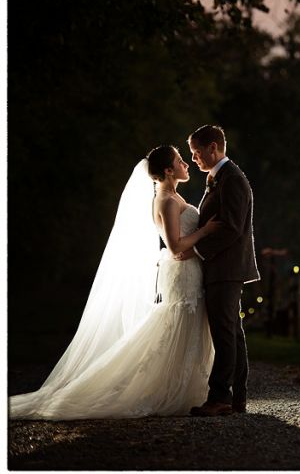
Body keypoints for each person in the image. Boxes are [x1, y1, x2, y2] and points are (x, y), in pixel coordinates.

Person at [10, 146, 219, 420]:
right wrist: (205, 233)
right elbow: (175, 247)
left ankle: (186, 387)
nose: (186, 164)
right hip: (181, 272)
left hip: (187, 271)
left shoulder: (173, 196)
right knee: (177, 323)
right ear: (168, 170)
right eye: (181, 161)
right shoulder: (167, 201)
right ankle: (162, 389)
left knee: (183, 324)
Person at [182, 125, 260, 417]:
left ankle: (220, 397)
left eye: (197, 153)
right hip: (221, 267)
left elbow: (232, 228)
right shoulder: (220, 178)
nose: (194, 159)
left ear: (213, 148)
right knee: (232, 334)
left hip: (226, 268)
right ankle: (236, 398)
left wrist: (199, 251)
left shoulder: (233, 180)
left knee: (224, 333)